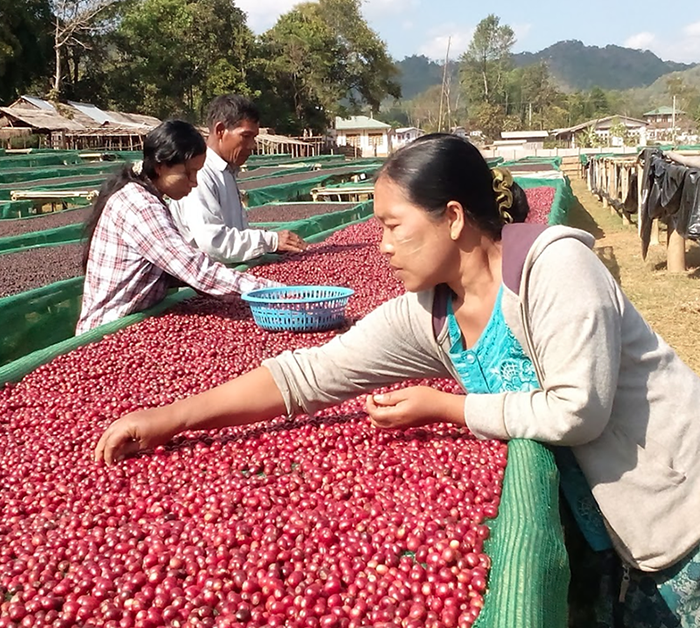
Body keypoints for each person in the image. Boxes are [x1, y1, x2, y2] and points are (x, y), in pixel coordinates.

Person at [95, 133, 700, 626]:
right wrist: (172, 417)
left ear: (454, 218)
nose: (380, 245)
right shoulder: (432, 311)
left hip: (678, 521)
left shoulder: (553, 269)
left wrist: (446, 408)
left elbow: (577, 411)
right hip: (608, 538)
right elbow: (311, 373)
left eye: (392, 225)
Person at [77, 119, 277, 335]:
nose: (194, 182)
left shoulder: (148, 197)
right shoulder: (140, 205)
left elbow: (175, 269)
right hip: (106, 332)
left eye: (197, 173)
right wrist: (270, 292)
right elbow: (194, 269)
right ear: (161, 166)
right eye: (188, 173)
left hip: (133, 323)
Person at [169, 94, 307, 263]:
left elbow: (235, 234)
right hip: (204, 282)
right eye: (246, 136)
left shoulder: (227, 171)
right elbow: (212, 242)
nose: (252, 146)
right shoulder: (200, 174)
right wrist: (271, 241)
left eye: (254, 138)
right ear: (220, 131)